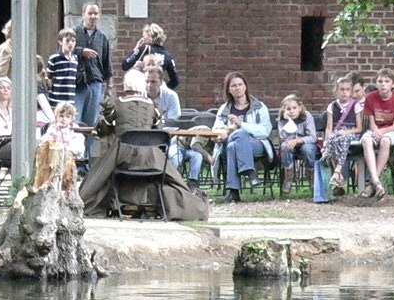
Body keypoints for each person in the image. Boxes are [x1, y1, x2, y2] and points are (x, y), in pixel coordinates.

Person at [80, 70, 208, 220]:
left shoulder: (117, 104)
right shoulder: (152, 106)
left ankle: (113, 204)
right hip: (150, 158)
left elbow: (103, 129)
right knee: (174, 180)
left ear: (125, 85)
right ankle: (187, 206)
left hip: (122, 157)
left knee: (99, 177)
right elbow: (158, 131)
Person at [212, 71, 272, 202]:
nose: (237, 87)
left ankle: (233, 192)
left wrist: (242, 124)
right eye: (233, 85)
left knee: (240, 133)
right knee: (233, 146)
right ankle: (250, 172)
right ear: (229, 89)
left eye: (240, 84)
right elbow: (216, 129)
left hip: (256, 144)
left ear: (245, 87)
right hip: (229, 143)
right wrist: (218, 135)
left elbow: (265, 131)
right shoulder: (224, 109)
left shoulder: (259, 107)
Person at [359, 69, 394, 201]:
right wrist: (376, 131)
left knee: (385, 141)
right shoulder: (370, 98)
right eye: (380, 81)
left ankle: (372, 183)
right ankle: (376, 181)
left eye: (387, 81)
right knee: (366, 140)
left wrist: (381, 132)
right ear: (376, 83)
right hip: (376, 130)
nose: (383, 84)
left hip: (392, 132)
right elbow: (372, 123)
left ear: (393, 84)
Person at [276, 93, 328, 202]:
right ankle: (288, 177)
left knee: (307, 149)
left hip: (306, 143)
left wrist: (297, 141)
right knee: (285, 147)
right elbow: (283, 137)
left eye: (294, 108)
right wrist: (288, 122)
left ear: (300, 108)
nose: (292, 111)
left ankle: (311, 178)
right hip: (290, 145)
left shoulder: (307, 116)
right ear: (284, 110)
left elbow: (313, 137)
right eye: (288, 109)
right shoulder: (282, 119)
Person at [321, 73, 363, 196]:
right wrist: (326, 140)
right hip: (337, 134)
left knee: (343, 139)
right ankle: (339, 178)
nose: (344, 92)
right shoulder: (332, 106)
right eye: (342, 89)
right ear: (336, 91)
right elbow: (329, 128)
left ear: (351, 92)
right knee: (333, 140)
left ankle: (337, 171)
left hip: (351, 134)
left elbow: (359, 128)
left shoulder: (356, 106)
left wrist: (346, 132)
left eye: (347, 90)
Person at [74, 3, 112, 129]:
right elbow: (64, 50)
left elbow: (107, 63)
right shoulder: (74, 33)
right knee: (76, 119)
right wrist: (81, 51)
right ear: (83, 15)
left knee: (91, 122)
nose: (93, 16)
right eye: (90, 13)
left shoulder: (102, 37)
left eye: (96, 13)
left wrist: (109, 86)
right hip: (78, 83)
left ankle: (88, 149)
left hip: (95, 82)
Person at [122, 23, 180, 89]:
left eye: (144, 38)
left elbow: (125, 65)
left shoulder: (144, 49)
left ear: (150, 38)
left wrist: (136, 48)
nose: (142, 40)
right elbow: (175, 81)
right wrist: (160, 90)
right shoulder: (168, 55)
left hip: (142, 90)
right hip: (156, 91)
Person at [46, 28, 80, 107]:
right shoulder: (54, 58)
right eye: (67, 41)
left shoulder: (75, 59)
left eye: (73, 41)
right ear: (60, 42)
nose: (70, 43)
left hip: (70, 99)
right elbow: (49, 79)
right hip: (56, 99)